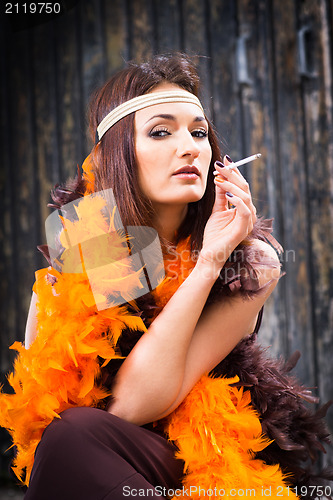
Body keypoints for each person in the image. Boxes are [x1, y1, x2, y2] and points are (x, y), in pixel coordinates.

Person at [0, 53, 331, 500]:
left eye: (199, 132)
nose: (190, 146)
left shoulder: (249, 262)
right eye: (160, 131)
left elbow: (133, 406)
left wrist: (210, 260)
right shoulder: (95, 243)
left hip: (195, 464)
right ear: (114, 154)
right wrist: (57, 289)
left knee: (74, 435)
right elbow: (44, 407)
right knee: (67, 436)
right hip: (96, 456)